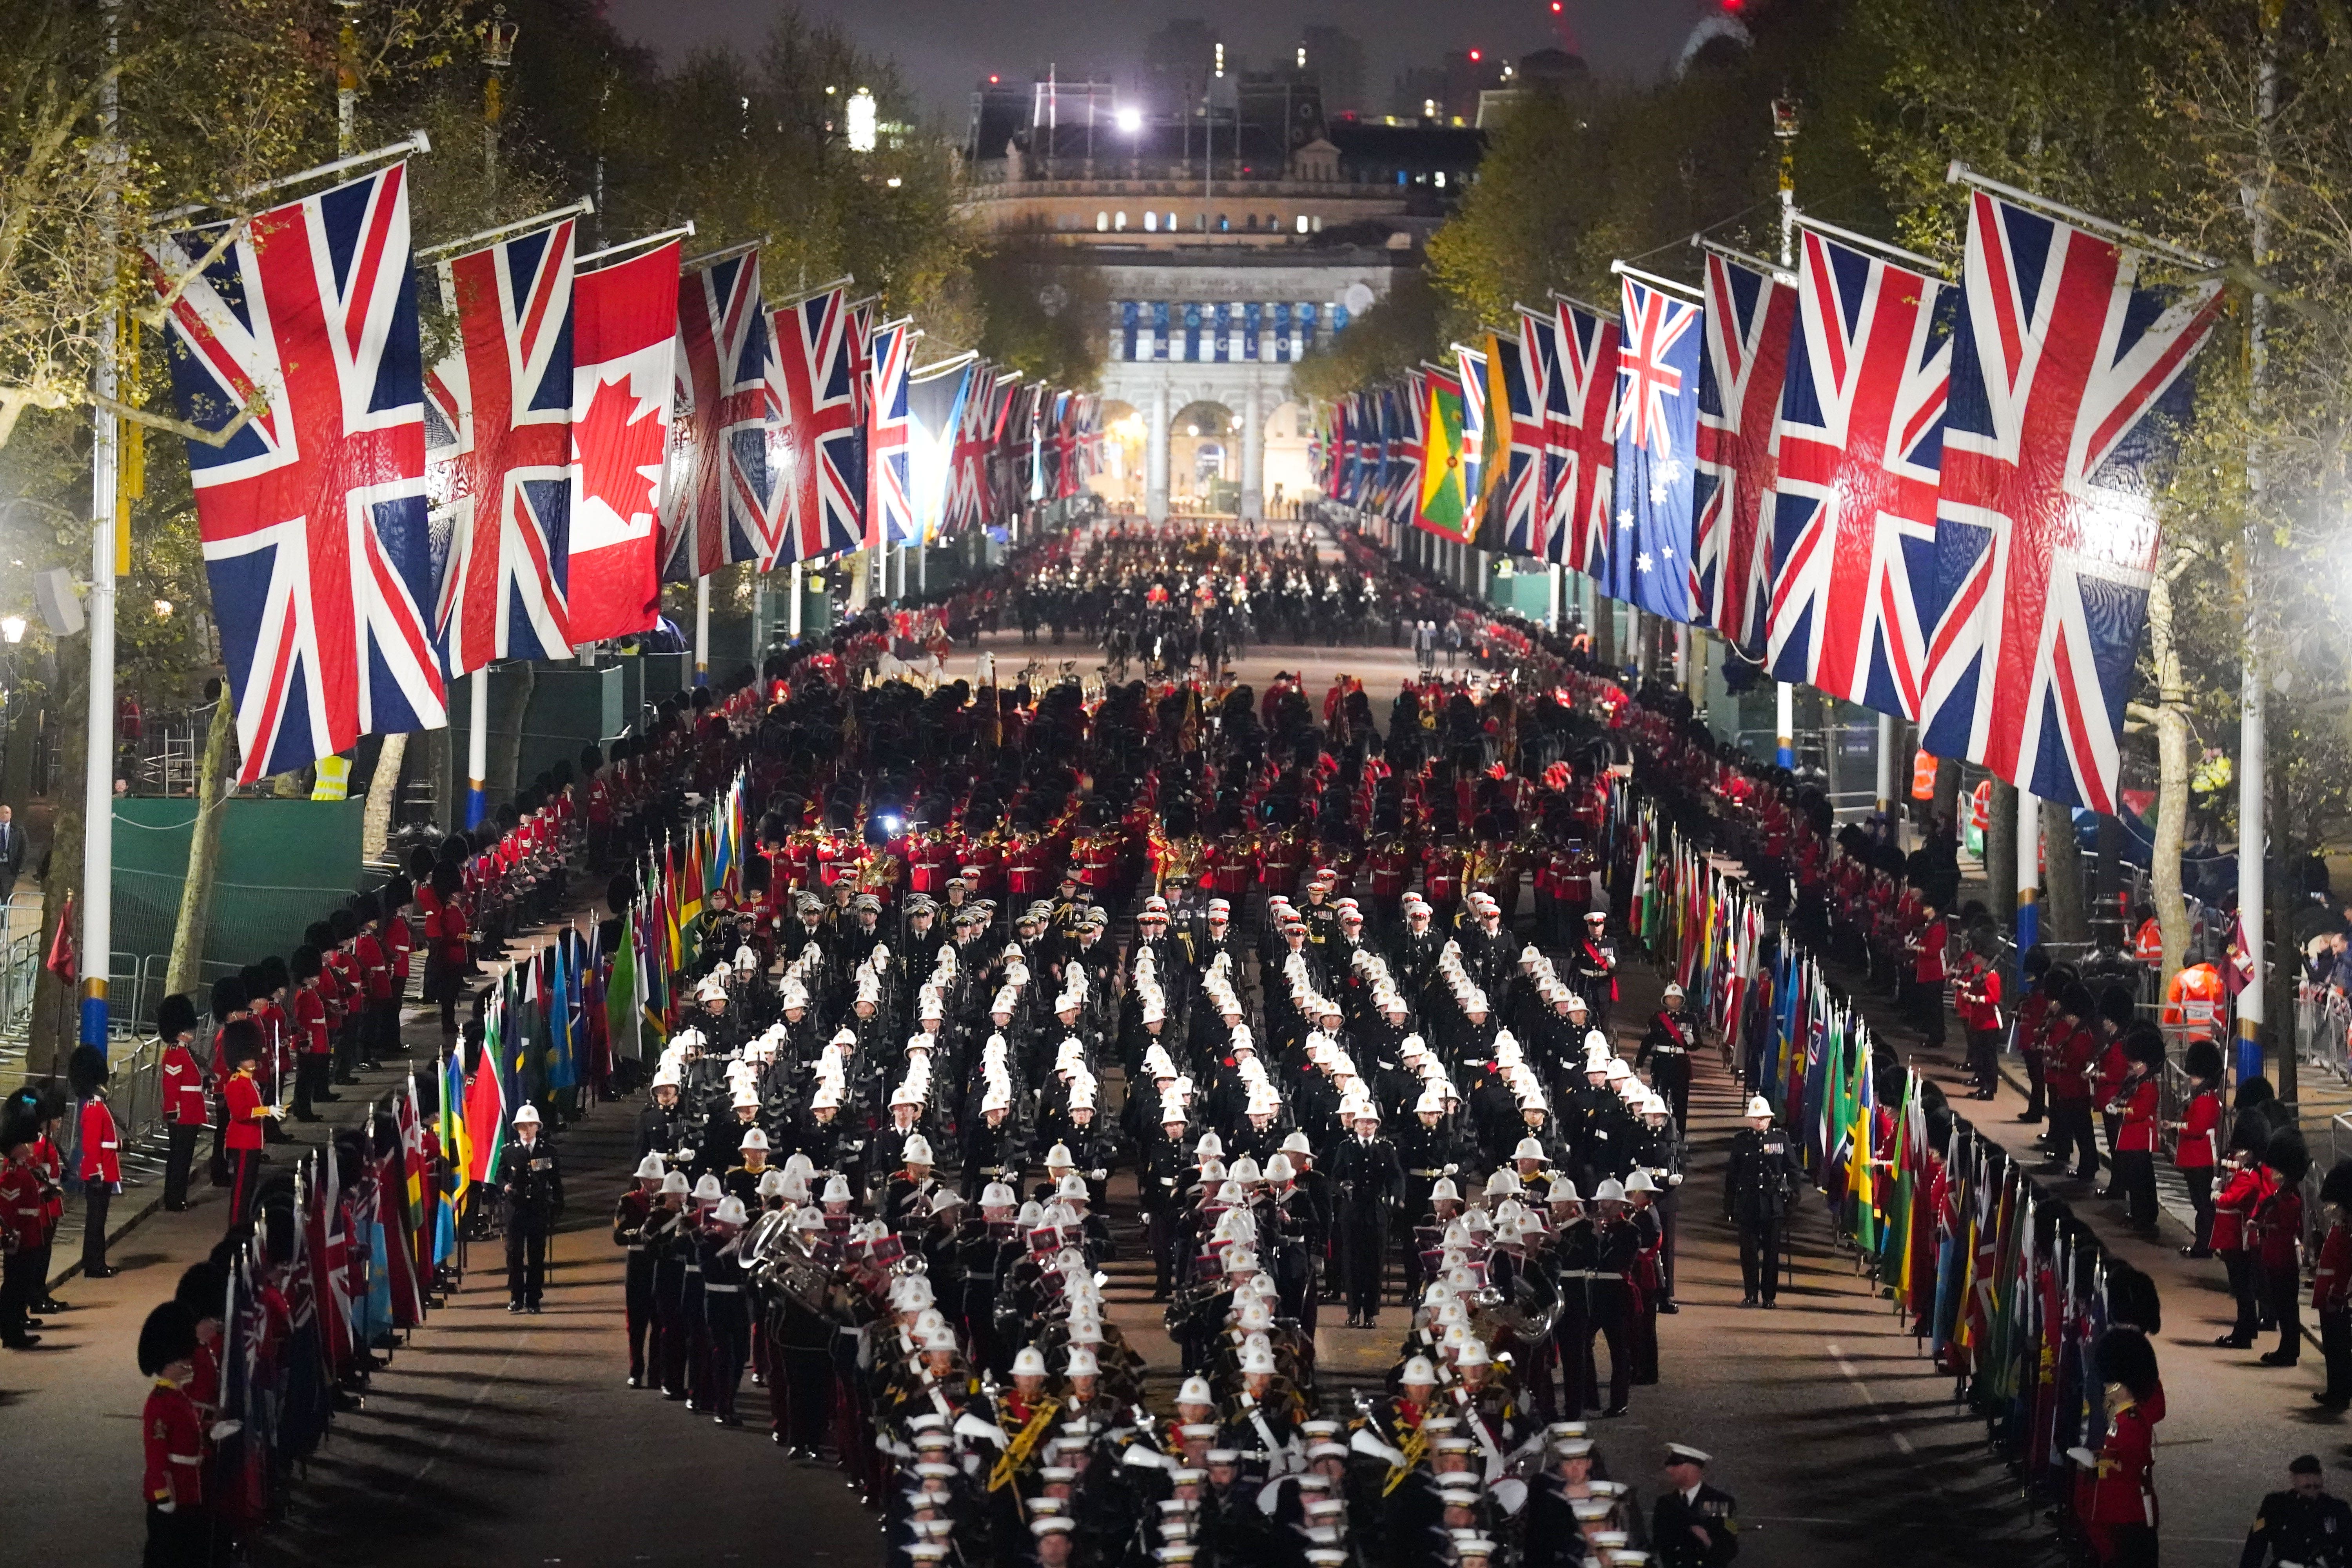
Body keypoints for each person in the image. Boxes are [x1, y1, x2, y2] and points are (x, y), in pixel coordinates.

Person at [138, 1301, 216, 1568]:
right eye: (184, 1360)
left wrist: (212, 1433)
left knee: (187, 1551)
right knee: (165, 1555)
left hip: (188, 1488)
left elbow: (189, 1434)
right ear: (169, 1362)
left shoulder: (177, 1396)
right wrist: (163, 1496)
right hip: (172, 1494)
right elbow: (157, 1457)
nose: (189, 1363)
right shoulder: (160, 1403)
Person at [1723, 1096, 1793, 1308]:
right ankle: (1751, 1293)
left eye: (1762, 1118)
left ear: (1770, 1119)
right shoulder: (1741, 1140)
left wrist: (1792, 1199)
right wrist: (1729, 1206)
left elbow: (1793, 1170)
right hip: (1748, 1203)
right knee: (1748, 1252)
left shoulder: (1781, 1140)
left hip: (1773, 1204)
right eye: (1755, 1118)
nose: (1759, 1122)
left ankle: (1769, 1296)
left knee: (1772, 1253)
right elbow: (1732, 1177)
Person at [2238, 1454, 2352, 1568]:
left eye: (2316, 1475)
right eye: (2306, 1476)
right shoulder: (2276, 1505)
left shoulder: (2338, 1509)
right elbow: (2255, 1545)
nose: (2312, 1481)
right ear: (2294, 1479)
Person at [501, 1103, 563, 1312]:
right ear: (517, 1129)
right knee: (514, 1254)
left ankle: (534, 1297)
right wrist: (505, 1186)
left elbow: (555, 1181)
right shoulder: (509, 1151)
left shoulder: (548, 1151)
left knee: (537, 1255)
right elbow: (499, 1175)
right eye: (522, 1126)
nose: (527, 1130)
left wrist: (557, 1204)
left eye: (531, 1126)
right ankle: (516, 1296)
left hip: (537, 1208)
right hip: (516, 1209)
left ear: (538, 1127)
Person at [71, 1044, 122, 1277]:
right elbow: (92, 1147)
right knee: (95, 1223)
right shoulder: (93, 1109)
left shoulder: (98, 1107)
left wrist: (122, 1145)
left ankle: (93, 1261)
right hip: (99, 1173)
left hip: (103, 1170)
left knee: (97, 1221)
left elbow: (106, 1141)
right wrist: (97, 1173)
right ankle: (95, 1265)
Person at [156, 994, 208, 1212]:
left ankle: (176, 1197)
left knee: (182, 1158)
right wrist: (173, 1112)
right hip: (183, 1113)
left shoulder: (184, 1052)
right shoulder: (176, 1053)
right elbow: (171, 1086)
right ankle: (175, 1200)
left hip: (189, 1111)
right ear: (181, 1030)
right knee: (180, 1159)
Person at [1650, 1443, 1739, 1568]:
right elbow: (1660, 1543)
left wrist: (1707, 1541)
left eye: (1675, 1465)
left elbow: (1730, 1547)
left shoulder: (1718, 1502)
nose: (1669, 1470)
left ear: (1691, 1468)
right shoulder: (1666, 1504)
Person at [2316, 1161, 2352, 1411]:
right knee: (2333, 1347)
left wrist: (2337, 1294)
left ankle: (2339, 1394)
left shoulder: (2348, 1232)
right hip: (2329, 1292)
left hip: (2336, 1298)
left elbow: (2345, 1268)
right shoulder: (2341, 1228)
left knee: (2338, 1348)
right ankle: (2336, 1391)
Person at [0, 801, 23, 905]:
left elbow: (24, 849)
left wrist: (19, 868)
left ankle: (3, 920)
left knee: (6, 896)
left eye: (7, 813)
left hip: (9, 869)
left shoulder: (18, 830)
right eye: (2, 813)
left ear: (11, 815)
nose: (4, 815)